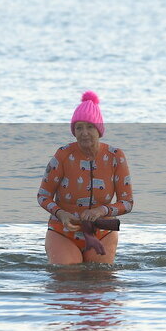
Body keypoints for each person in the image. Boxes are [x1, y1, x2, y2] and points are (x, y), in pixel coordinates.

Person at [37, 91, 133, 264]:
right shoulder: (63, 155)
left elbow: (127, 203)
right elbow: (43, 196)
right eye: (79, 127)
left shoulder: (115, 156)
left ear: (99, 129)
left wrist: (100, 211)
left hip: (102, 232)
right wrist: (61, 214)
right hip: (62, 231)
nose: (84, 133)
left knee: (99, 279)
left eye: (90, 127)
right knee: (68, 274)